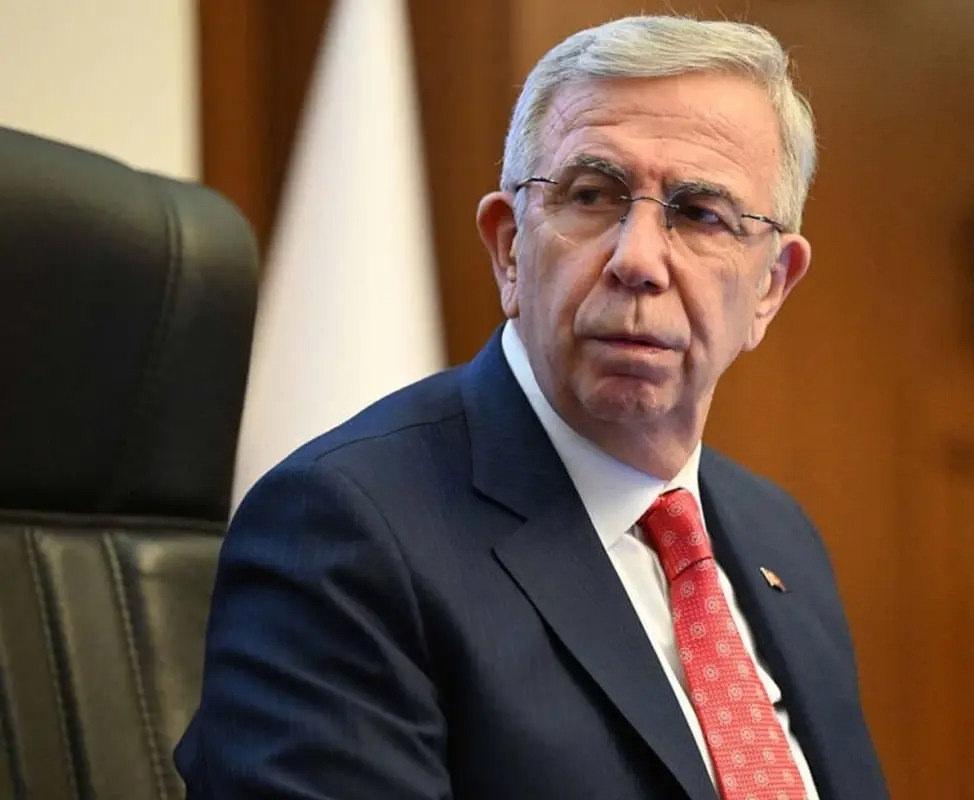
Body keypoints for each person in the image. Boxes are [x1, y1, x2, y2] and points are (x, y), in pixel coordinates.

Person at [176, 15, 887, 800]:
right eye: (592, 196)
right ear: (509, 247)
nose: (638, 260)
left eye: (699, 214)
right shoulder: (346, 532)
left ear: (770, 287)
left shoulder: (778, 535)